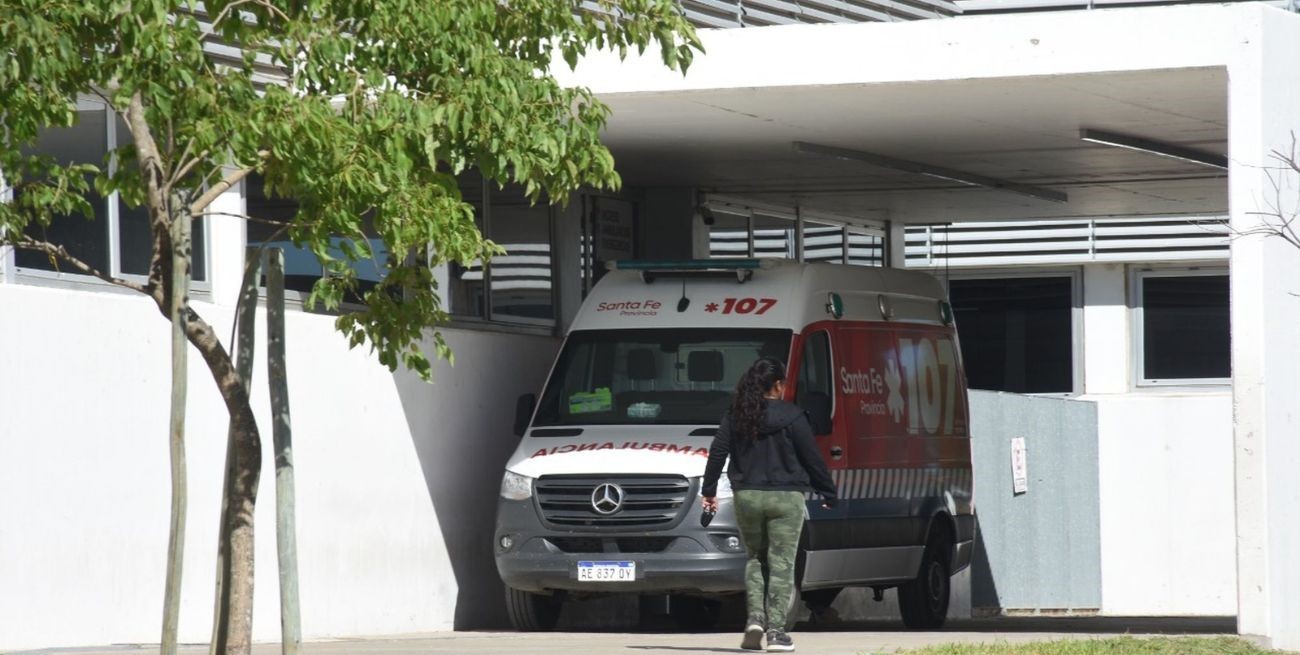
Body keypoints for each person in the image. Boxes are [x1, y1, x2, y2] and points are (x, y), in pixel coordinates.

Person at [701, 357, 837, 653]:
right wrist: (828, 492)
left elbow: (718, 451)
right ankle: (776, 632)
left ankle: (754, 619)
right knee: (782, 563)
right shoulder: (793, 416)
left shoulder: (737, 414)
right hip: (786, 498)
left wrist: (709, 489)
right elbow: (812, 457)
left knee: (755, 559)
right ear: (777, 385)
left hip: (747, 495)